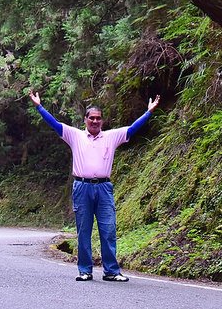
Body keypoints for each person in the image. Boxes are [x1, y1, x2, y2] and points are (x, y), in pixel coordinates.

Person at [29, 90, 160, 282]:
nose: (95, 121)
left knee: (108, 230)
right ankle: (85, 270)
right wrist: (39, 107)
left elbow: (132, 129)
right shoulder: (75, 136)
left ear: (102, 121)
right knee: (84, 230)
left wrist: (148, 112)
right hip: (82, 187)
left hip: (104, 188)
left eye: (98, 118)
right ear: (85, 120)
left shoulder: (111, 137)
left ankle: (112, 271)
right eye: (92, 118)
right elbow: (55, 125)